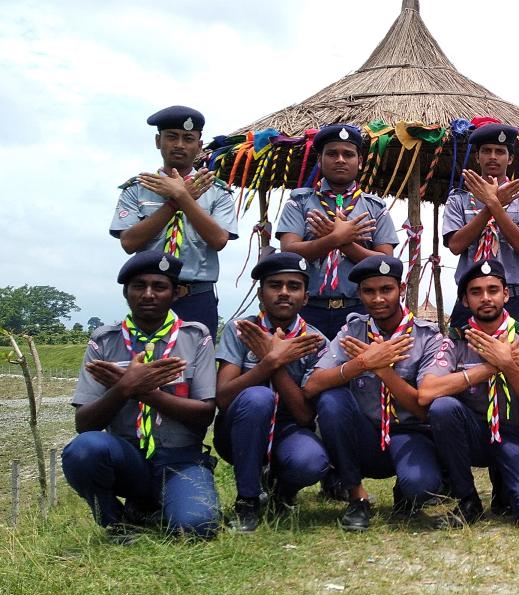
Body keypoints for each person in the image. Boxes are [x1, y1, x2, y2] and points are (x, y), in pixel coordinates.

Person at [61, 251, 220, 541]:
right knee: (84, 449)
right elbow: (84, 424)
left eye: (159, 287)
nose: (148, 294)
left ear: (176, 293)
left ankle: (150, 506)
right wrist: (123, 389)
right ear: (126, 292)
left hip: (180, 459)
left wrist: (143, 390)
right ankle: (116, 521)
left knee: (197, 528)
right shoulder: (104, 342)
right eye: (138, 286)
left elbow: (204, 413)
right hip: (127, 457)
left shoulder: (196, 338)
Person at [303, 255, 444, 531]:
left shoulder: (428, 337)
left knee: (422, 486)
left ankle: (406, 491)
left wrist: (383, 371)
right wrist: (362, 363)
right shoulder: (352, 331)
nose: (378, 298)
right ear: (359, 293)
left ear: (401, 289)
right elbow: (312, 385)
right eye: (369, 291)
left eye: (386, 290)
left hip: (409, 433)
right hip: (365, 435)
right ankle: (357, 497)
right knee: (332, 400)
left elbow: (423, 409)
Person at [419, 259, 519, 528]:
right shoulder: (456, 341)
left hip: (517, 435)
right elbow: (426, 393)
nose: (486, 298)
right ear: (465, 300)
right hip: (474, 436)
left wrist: (510, 366)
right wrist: (492, 366)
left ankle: (505, 483)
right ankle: (467, 500)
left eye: (493, 290)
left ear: (506, 294)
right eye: (476, 292)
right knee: (443, 408)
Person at [213, 252, 330, 532]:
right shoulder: (241, 330)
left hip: (289, 430)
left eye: (294, 286)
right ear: (260, 294)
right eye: (275, 285)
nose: (284, 293)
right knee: (258, 397)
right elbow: (224, 398)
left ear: (306, 297)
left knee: (311, 461)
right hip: (239, 431)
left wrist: (275, 364)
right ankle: (248, 500)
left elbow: (304, 416)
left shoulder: (314, 341)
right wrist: (267, 362)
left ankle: (282, 490)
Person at [110, 105, 237, 336]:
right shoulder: (137, 189)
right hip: (150, 296)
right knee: (145, 361)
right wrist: (173, 204)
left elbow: (219, 240)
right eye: (172, 137)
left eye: (188, 138)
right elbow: (129, 243)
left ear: (199, 146)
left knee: (197, 368)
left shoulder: (217, 191)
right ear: (158, 141)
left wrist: (181, 195)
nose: (179, 144)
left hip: (197, 296)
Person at [278, 123, 399, 338]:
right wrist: (335, 238)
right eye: (332, 154)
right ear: (319, 160)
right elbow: (289, 253)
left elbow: (386, 263)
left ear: (360, 162)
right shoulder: (299, 202)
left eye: (348, 154)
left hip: (360, 310)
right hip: (307, 310)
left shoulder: (376, 208)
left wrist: (344, 243)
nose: (340, 160)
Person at [442, 123, 519, 328]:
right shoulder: (458, 199)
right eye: (486, 151)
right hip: (470, 297)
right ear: (477, 157)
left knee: (518, 358)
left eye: (500, 151)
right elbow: (455, 246)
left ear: (511, 158)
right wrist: (492, 205)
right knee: (461, 358)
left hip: (513, 296)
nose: (493, 157)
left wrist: (493, 204)